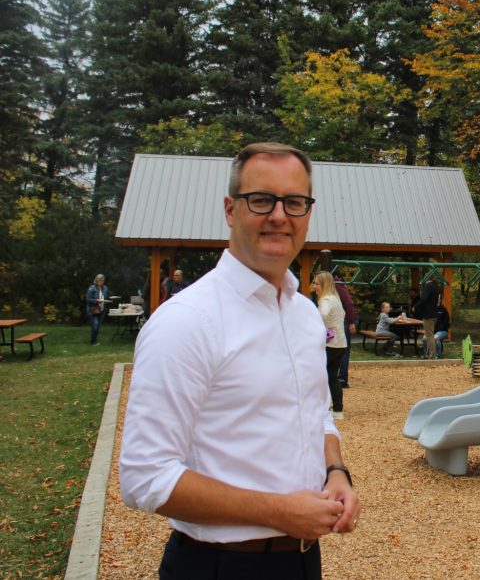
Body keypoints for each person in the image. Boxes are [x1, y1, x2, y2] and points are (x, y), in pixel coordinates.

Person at [119, 142, 361, 580]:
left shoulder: (304, 314)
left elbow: (317, 414)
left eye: (294, 202)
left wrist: (336, 472)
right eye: (261, 199)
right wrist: (280, 511)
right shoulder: (187, 322)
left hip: (303, 561)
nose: (279, 215)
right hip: (220, 566)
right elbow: (145, 477)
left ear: (308, 211)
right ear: (231, 210)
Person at [313, 271, 346, 419]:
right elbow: (343, 314)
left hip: (329, 345)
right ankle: (338, 410)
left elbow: (322, 315)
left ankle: (321, 408)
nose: (314, 287)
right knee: (332, 377)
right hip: (340, 343)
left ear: (324, 285)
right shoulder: (335, 298)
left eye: (317, 284)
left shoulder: (325, 300)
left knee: (319, 377)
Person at [334, 275, 357, 389]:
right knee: (342, 349)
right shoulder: (337, 286)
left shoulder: (337, 286)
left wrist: (351, 321)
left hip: (342, 321)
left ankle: (342, 378)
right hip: (338, 321)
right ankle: (340, 378)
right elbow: (349, 304)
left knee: (343, 349)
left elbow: (348, 304)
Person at [411, 276, 440, 358]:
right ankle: (428, 353)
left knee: (429, 335)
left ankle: (432, 355)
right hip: (434, 314)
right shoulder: (436, 287)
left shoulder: (429, 286)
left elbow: (424, 299)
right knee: (429, 334)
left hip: (428, 315)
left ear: (427, 279)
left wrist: (415, 306)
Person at [85, 274, 109, 346]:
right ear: (96, 280)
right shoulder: (91, 288)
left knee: (98, 326)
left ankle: (95, 338)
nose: (101, 282)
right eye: (99, 280)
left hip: (101, 309)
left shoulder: (105, 288)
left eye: (102, 280)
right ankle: (93, 341)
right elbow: (88, 299)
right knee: (95, 324)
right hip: (93, 309)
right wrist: (96, 300)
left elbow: (106, 297)